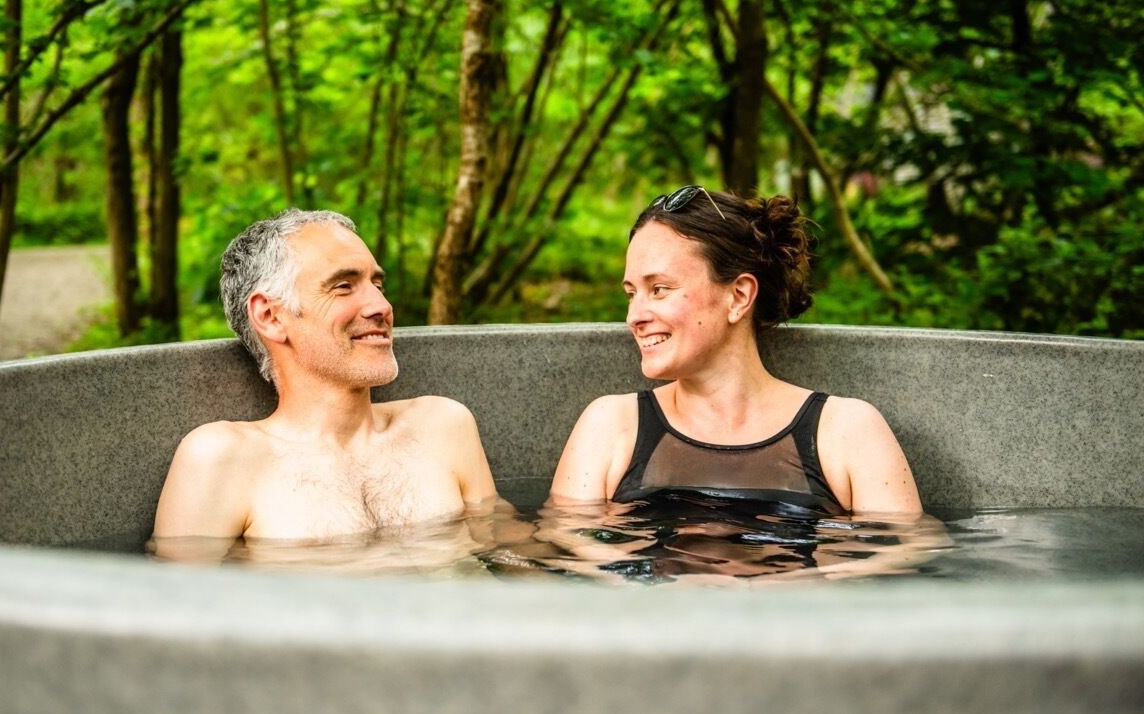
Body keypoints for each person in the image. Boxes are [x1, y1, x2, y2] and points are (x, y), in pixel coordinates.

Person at [551, 186, 922, 516]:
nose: (634, 316)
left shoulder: (847, 431)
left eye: (659, 289)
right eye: (631, 293)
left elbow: (898, 567)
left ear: (739, 296)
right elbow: (568, 560)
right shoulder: (611, 426)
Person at [153, 209, 497, 543]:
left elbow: (510, 555)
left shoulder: (442, 427)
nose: (381, 306)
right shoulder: (223, 459)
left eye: (377, 285)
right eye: (344, 286)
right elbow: (179, 598)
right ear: (271, 316)